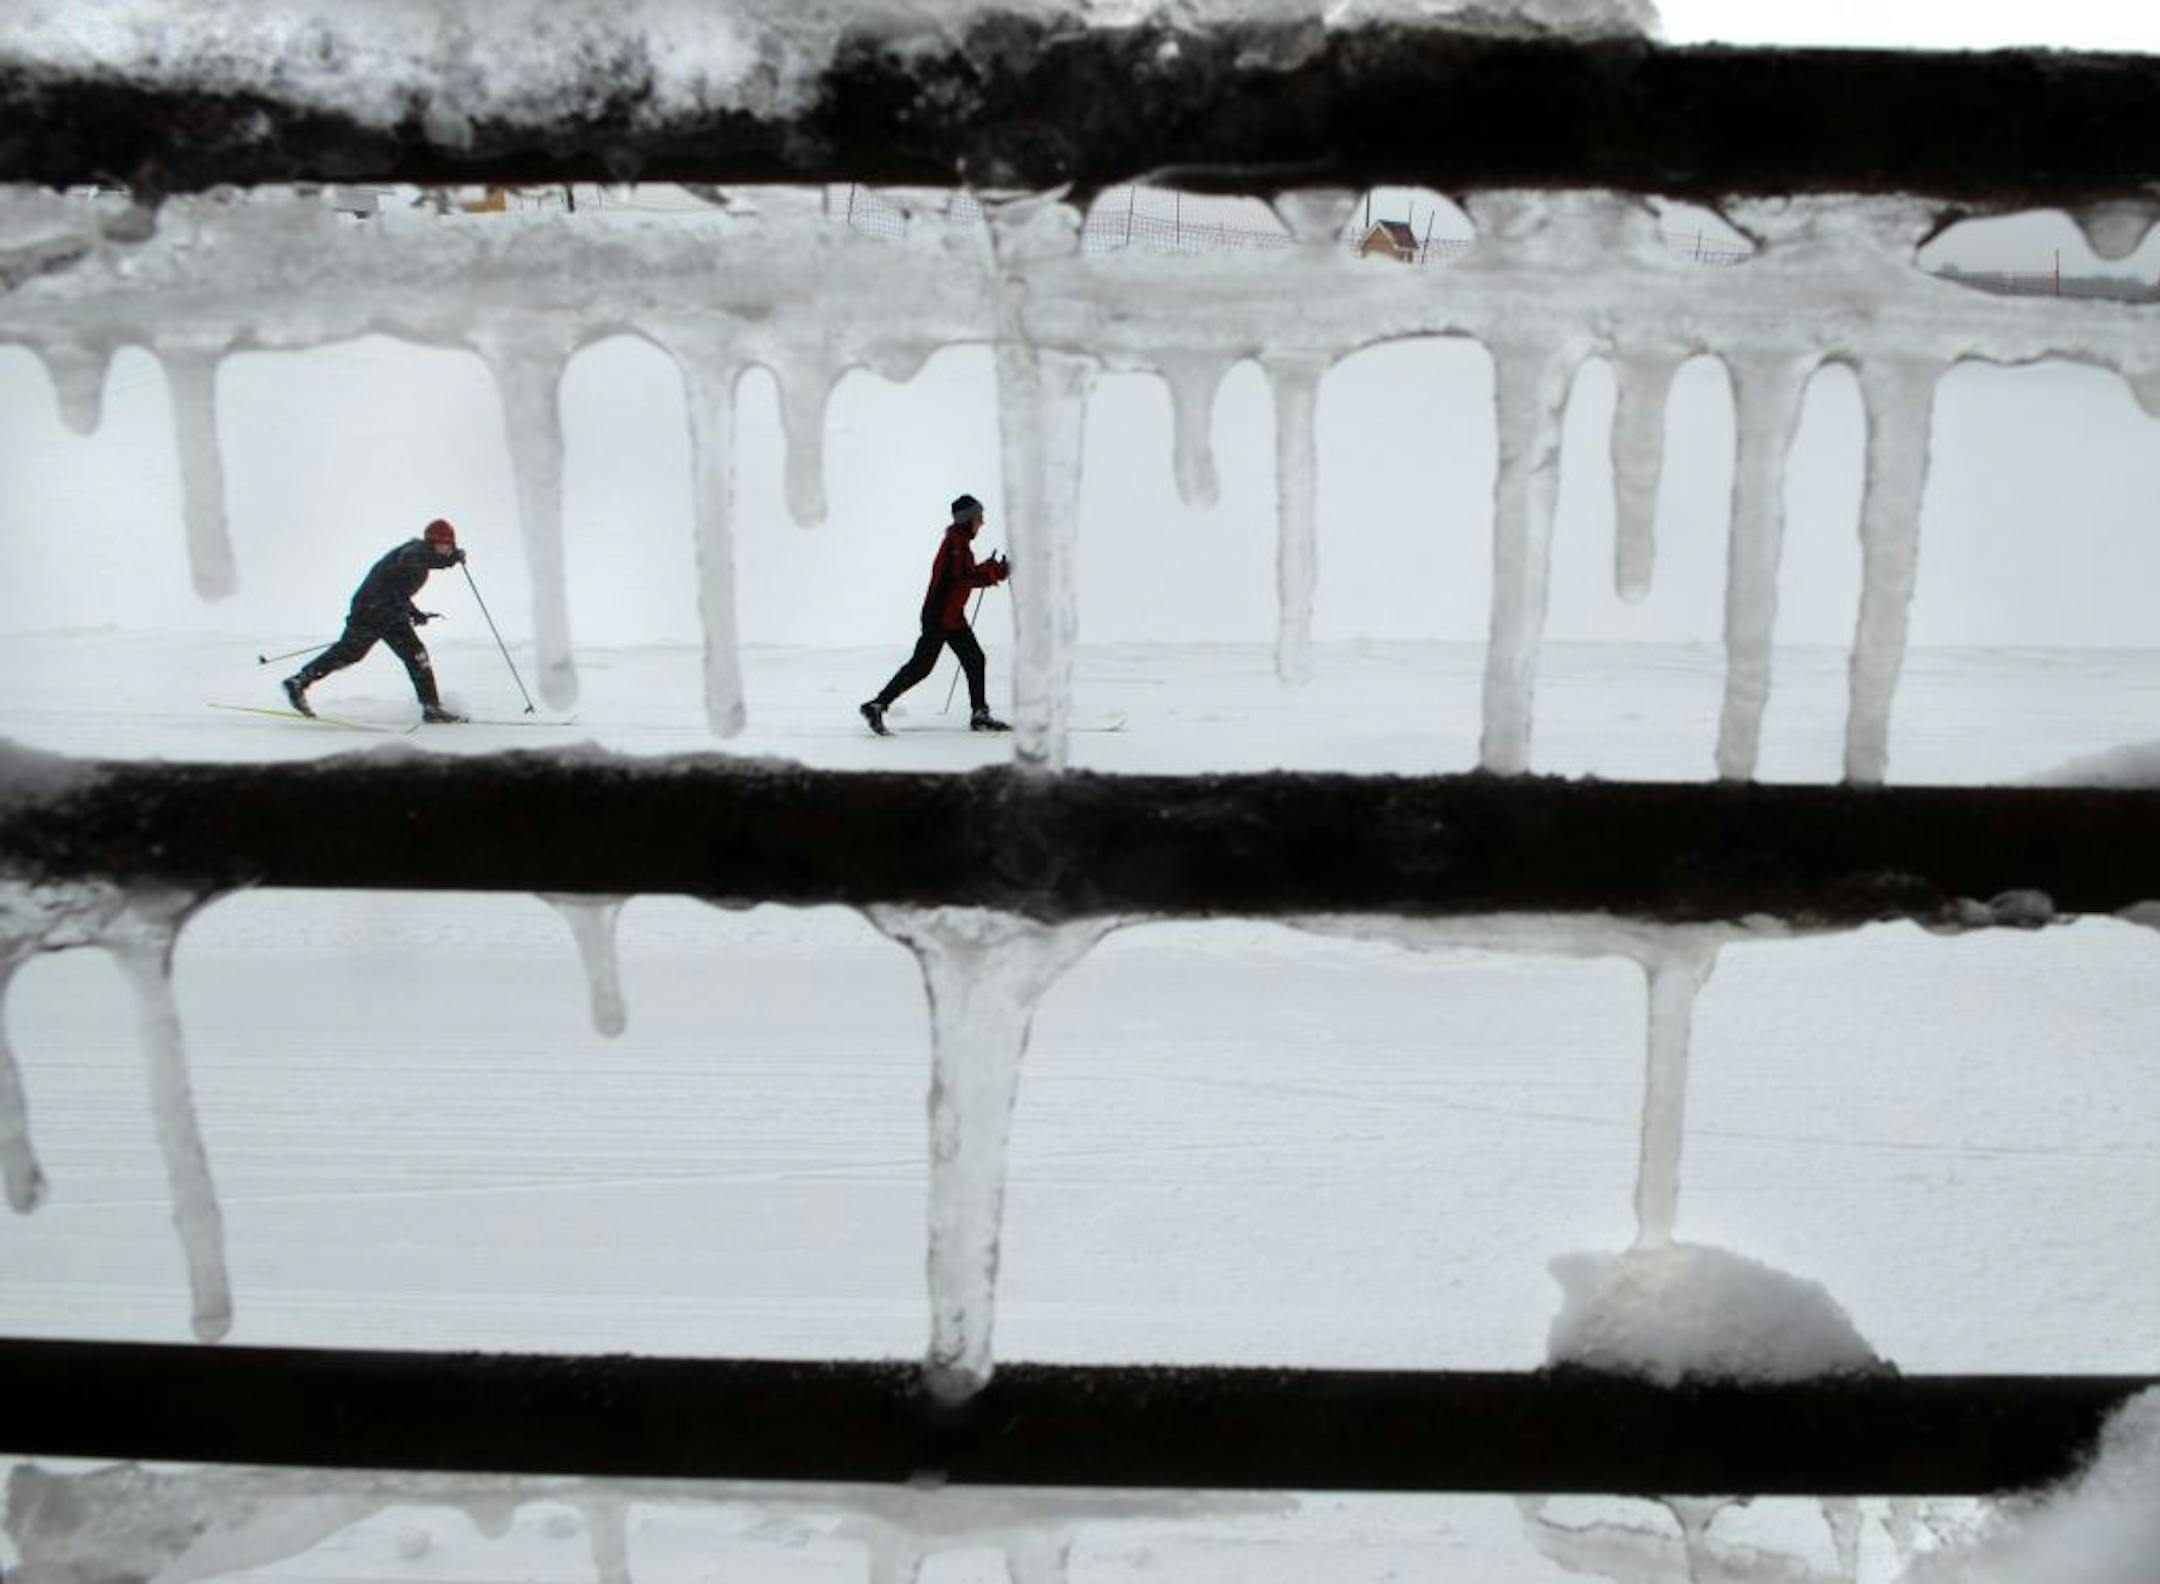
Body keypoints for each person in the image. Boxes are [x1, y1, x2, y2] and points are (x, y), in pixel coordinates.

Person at [283, 518, 469, 723]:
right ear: (430, 543)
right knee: (350, 653)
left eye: (448, 545)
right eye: (440, 545)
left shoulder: (420, 559)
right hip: (370, 611)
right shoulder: (413, 553)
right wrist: (449, 561)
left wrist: (414, 612)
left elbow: (399, 590)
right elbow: (410, 564)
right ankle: (298, 682)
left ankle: (432, 708)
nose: (444, 549)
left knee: (417, 656)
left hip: (390, 612)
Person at [860, 494, 1012, 735]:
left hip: (952, 616)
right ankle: (876, 705)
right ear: (967, 520)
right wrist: (996, 571)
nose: (982, 522)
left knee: (974, 659)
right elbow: (965, 577)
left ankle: (979, 714)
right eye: (978, 518)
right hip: (939, 616)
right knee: (921, 667)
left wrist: (994, 570)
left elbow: (966, 573)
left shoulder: (959, 543)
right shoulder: (955, 544)